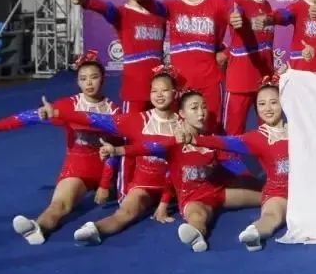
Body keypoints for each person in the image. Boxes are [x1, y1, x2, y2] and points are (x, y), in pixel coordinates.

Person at [0, 52, 118, 244]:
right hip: (78, 168)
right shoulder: (69, 105)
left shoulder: (114, 110)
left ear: (103, 78)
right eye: (83, 79)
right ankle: (38, 227)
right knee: (59, 205)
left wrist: (105, 184)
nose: (89, 83)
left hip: (106, 168)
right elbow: (29, 117)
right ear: (78, 82)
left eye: (94, 77)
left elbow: (117, 148)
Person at [104, 91, 262, 252]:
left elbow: (232, 160)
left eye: (204, 107)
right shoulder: (174, 142)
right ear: (182, 113)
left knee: (266, 197)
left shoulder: (210, 139)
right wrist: (117, 150)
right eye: (194, 108)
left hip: (219, 192)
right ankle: (197, 236)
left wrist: (249, 179)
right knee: (198, 217)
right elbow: (147, 148)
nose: (201, 113)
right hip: (192, 198)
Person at [41, 66, 182, 245]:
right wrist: (58, 112)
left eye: (164, 90)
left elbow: (179, 165)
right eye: (154, 91)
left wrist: (164, 203)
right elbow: (95, 119)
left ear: (175, 93)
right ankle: (96, 229)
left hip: (176, 187)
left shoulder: (183, 125)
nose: (159, 95)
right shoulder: (137, 120)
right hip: (145, 185)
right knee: (125, 213)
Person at [189, 76, 289, 251]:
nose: (267, 108)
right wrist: (195, 139)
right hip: (279, 192)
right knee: (273, 216)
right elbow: (226, 142)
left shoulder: (298, 130)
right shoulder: (257, 137)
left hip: (305, 191)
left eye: (273, 102)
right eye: (261, 104)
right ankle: (255, 232)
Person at [71, 0, 167, 114]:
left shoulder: (160, 12)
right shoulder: (121, 14)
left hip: (160, 86)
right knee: (131, 127)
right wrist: (85, 1)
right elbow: (106, 8)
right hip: (134, 88)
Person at [156, 0, 232, 128]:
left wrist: (227, 53)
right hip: (180, 83)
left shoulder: (220, 3)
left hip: (211, 81)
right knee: (181, 132)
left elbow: (246, 32)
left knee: (212, 130)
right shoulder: (170, 6)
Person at [224, 0, 277, 134]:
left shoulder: (266, 5)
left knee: (269, 132)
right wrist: (236, 20)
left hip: (265, 80)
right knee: (233, 134)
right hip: (240, 81)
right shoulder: (235, 3)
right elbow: (234, 16)